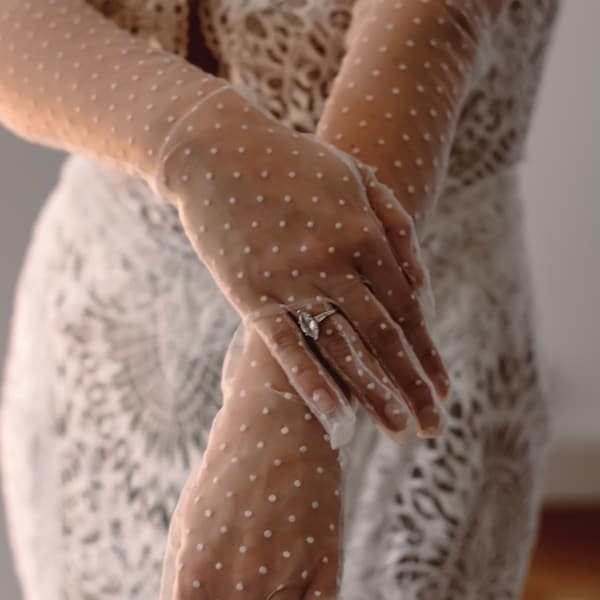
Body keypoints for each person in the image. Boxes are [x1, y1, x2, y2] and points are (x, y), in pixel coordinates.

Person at [0, 0, 559, 598]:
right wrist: (191, 137)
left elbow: (429, 23)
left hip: (389, 338)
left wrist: (292, 403)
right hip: (112, 331)